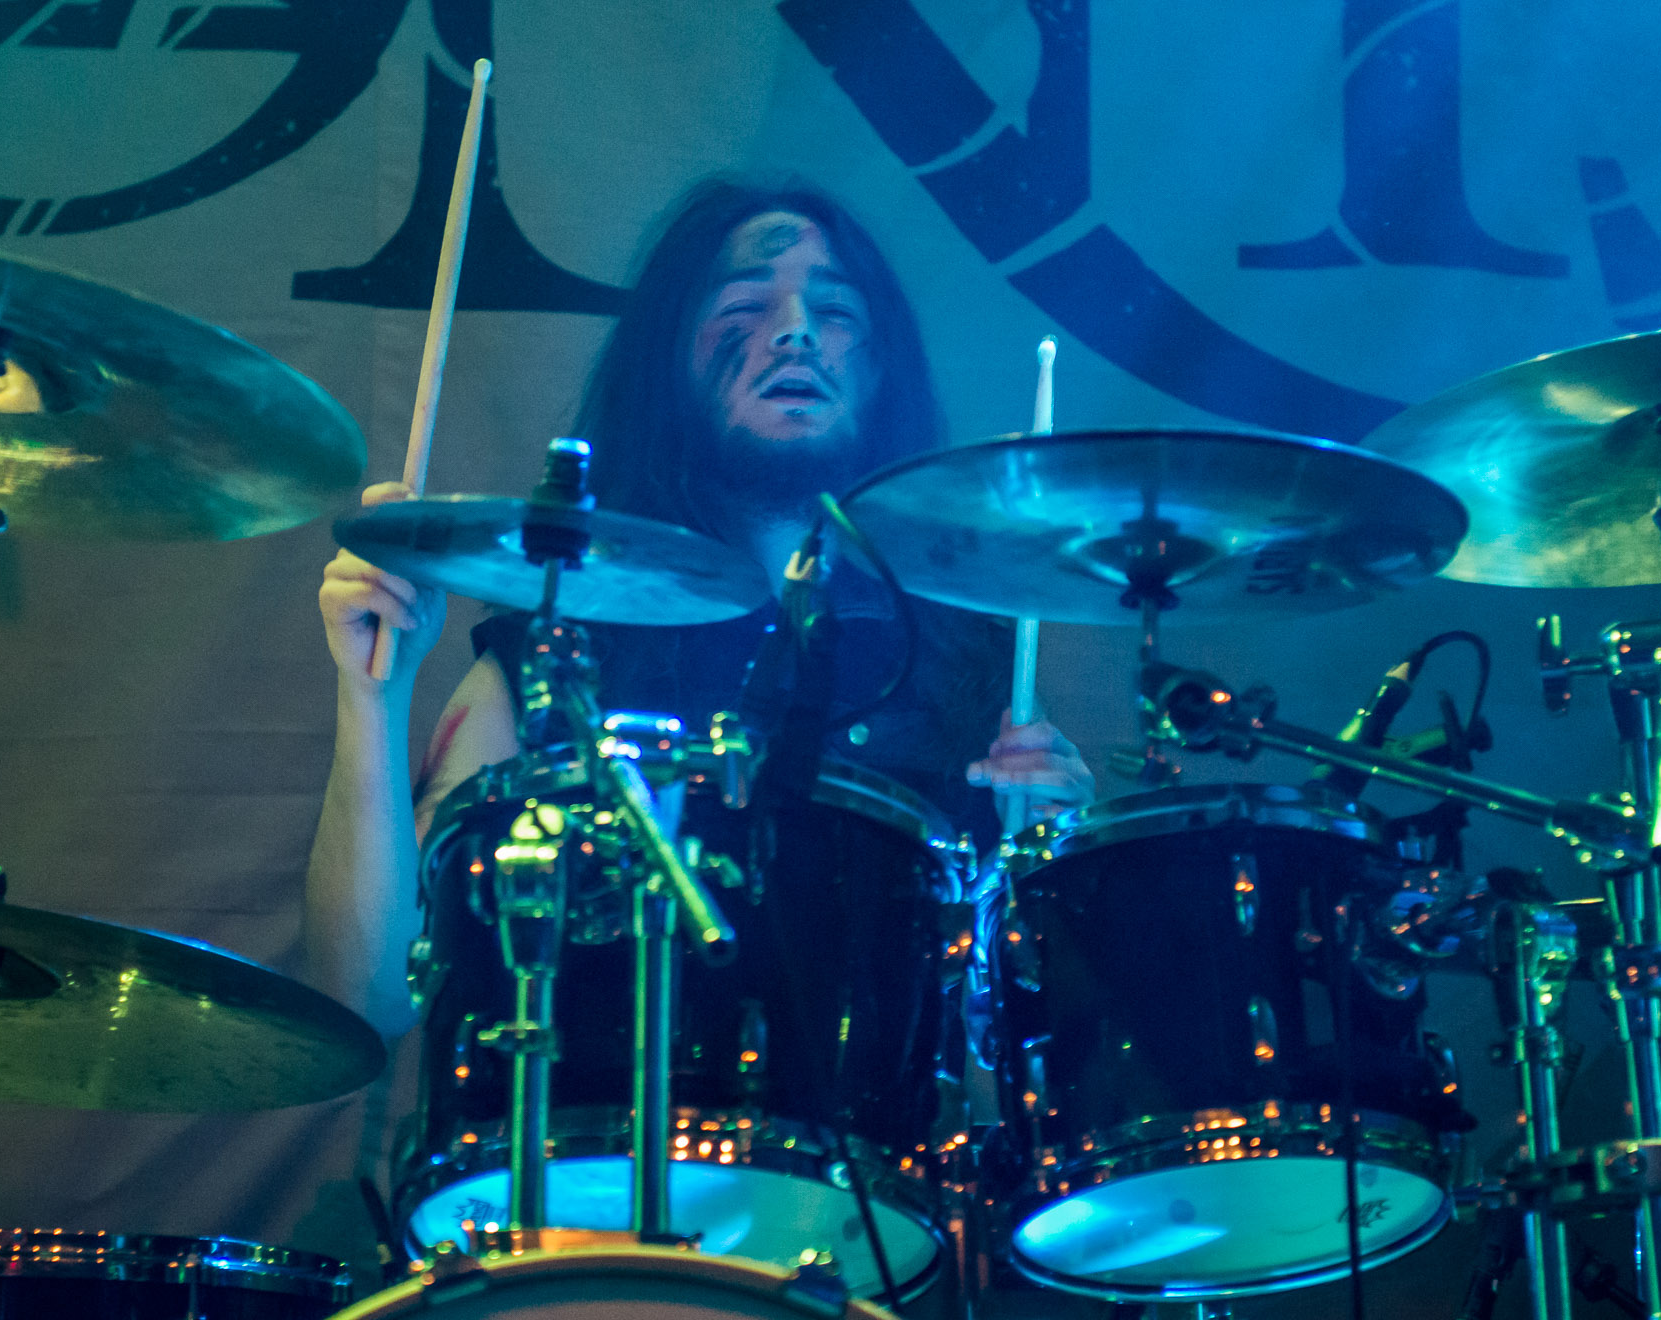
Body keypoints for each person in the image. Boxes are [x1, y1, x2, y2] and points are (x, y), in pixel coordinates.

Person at [301, 178, 1094, 1036]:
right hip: (599, 1121)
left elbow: (1024, 1032)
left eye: (836, 312)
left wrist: (1063, 870)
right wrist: (372, 695)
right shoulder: (559, 654)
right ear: (670, 361)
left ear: (880, 371)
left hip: (868, 1122)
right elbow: (367, 1000)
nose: (795, 330)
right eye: (746, 307)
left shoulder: (965, 670)